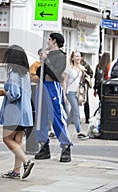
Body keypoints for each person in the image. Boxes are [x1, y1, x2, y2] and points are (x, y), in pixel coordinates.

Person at [0, 45, 34, 179]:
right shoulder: (26, 73)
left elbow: (14, 95)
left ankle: (26, 162)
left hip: (14, 112)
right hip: (25, 112)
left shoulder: (13, 74)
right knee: (18, 140)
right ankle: (16, 171)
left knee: (6, 138)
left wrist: (3, 92)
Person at [38, 32, 73, 162]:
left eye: (49, 39)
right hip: (42, 85)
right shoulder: (49, 54)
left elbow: (56, 74)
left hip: (52, 86)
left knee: (57, 116)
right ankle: (43, 146)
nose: (47, 41)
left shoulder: (60, 56)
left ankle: (66, 145)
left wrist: (46, 60)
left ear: (54, 41)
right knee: (41, 117)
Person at [63, 51, 89, 140]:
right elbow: (65, 81)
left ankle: (63, 128)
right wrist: (64, 94)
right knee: (76, 111)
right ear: (72, 58)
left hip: (77, 93)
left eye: (79, 56)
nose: (78, 58)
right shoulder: (69, 68)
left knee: (72, 113)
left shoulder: (82, 68)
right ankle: (79, 132)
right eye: (76, 56)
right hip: (70, 92)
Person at [80, 52, 93, 123]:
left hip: (84, 84)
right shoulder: (75, 64)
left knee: (86, 101)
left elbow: (91, 73)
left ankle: (87, 117)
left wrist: (86, 77)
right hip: (76, 84)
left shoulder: (86, 65)